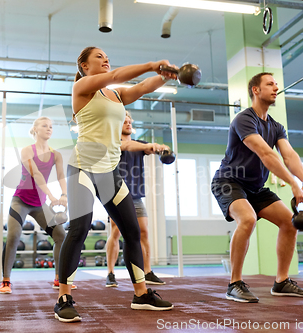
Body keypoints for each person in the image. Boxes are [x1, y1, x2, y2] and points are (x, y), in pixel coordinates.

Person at [54, 46, 176, 322]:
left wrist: (166, 75)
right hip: (84, 168)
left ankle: (141, 294)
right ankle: (64, 297)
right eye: (99, 56)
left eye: (107, 56)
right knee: (79, 228)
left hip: (109, 172)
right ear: (84, 66)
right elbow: (121, 74)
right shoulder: (83, 88)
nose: (106, 59)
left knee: (132, 231)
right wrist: (152, 63)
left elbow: (144, 87)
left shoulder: (116, 95)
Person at [211, 72, 303, 303]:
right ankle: (234, 283)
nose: (276, 87)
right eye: (270, 84)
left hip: (255, 187)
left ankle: (281, 281)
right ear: (255, 90)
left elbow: (289, 156)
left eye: (276, 84)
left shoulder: (276, 127)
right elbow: (266, 154)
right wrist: (293, 184)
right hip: (228, 181)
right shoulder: (244, 119)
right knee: (247, 218)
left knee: (289, 223)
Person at [0, 116, 72, 294]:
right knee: (14, 236)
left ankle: (59, 279)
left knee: (60, 234)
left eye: (51, 126)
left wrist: (64, 195)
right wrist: (52, 196)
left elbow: (61, 175)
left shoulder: (56, 154)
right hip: (21, 201)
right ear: (35, 130)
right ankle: (6, 280)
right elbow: (37, 175)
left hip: (40, 204)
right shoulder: (26, 151)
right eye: (45, 126)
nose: (49, 129)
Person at [105, 111, 169, 287]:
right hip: (116, 194)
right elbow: (127, 146)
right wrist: (149, 145)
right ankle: (110, 273)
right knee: (116, 232)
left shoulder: (141, 144)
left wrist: (161, 149)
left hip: (135, 194)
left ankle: (147, 271)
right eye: (124, 122)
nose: (128, 124)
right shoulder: (113, 143)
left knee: (143, 232)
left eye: (129, 122)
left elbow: (149, 148)